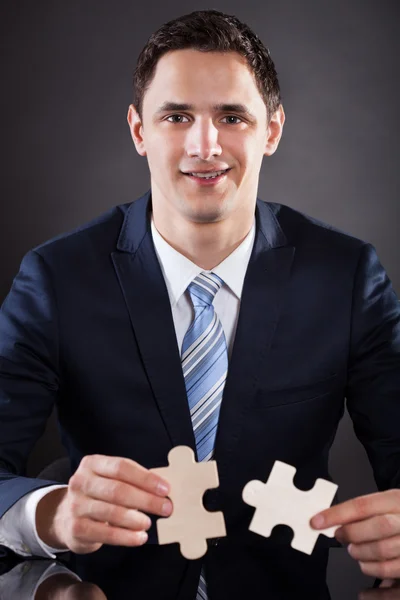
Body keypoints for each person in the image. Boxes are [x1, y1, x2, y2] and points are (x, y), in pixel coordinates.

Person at [0, 8, 399, 599]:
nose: (204, 144)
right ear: (139, 130)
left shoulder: (345, 277)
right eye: (177, 115)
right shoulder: (57, 278)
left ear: (272, 130)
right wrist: (50, 515)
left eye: (232, 116)